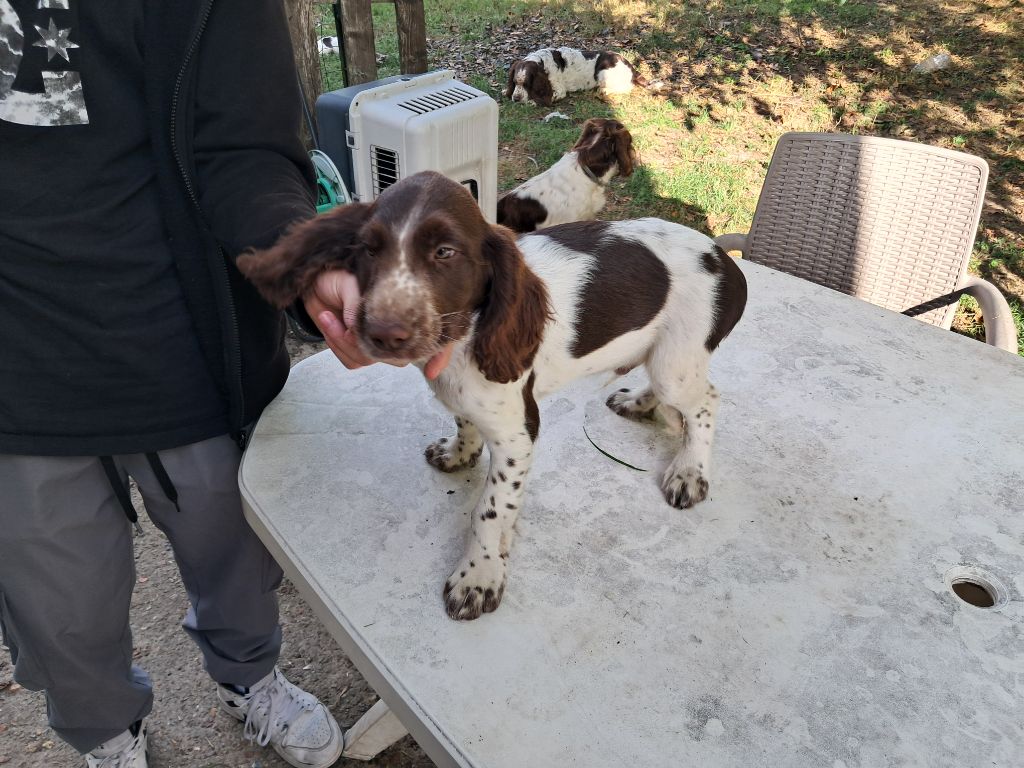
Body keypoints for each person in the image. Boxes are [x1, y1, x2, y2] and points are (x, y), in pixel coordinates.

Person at [0, 1, 449, 766]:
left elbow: (244, 146)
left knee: (237, 557)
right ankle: (106, 735)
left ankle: (253, 678)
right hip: (18, 373)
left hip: (190, 347)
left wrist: (303, 257)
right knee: (59, 613)